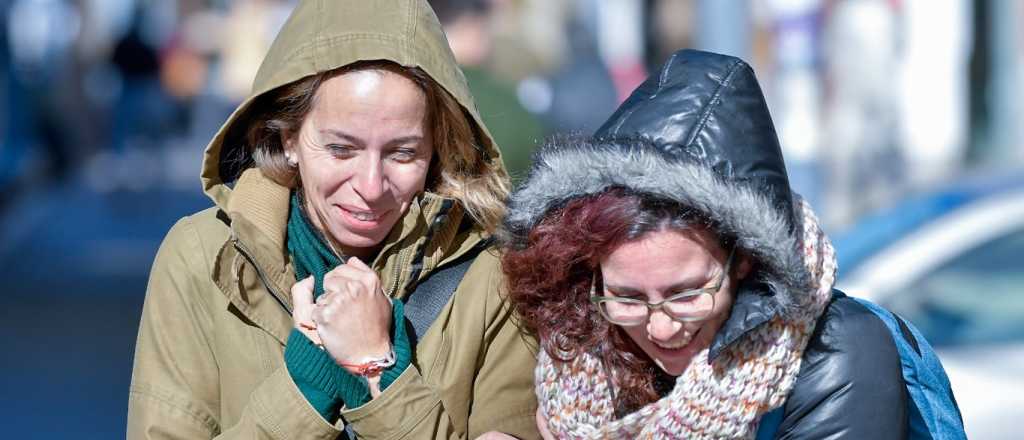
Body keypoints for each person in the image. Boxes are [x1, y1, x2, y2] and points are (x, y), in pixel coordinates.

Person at [127, 1, 538, 439]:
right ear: (287, 138)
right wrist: (307, 388)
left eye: (403, 153)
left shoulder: (491, 277)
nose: (371, 185)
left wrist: (380, 371)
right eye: (342, 149)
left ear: (438, 147)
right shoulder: (200, 258)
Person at [500, 49, 908, 438]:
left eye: (688, 293)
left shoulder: (843, 356)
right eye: (627, 297)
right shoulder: (580, 362)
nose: (660, 326)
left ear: (745, 258)